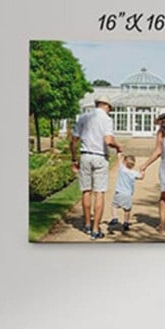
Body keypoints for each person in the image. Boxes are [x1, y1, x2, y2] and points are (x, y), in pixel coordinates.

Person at [70, 98, 122, 240]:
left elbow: (74, 140)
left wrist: (74, 159)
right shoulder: (106, 119)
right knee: (99, 192)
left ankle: (87, 224)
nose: (110, 110)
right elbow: (108, 141)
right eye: (110, 108)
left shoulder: (84, 117)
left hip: (85, 156)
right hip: (99, 157)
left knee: (86, 191)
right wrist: (118, 147)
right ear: (106, 106)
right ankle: (95, 229)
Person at [109, 154, 142, 233]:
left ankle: (115, 217)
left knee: (114, 206)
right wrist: (143, 171)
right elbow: (141, 177)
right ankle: (126, 223)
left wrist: (119, 153)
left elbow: (119, 159)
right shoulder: (134, 173)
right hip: (128, 195)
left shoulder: (121, 169)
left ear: (124, 162)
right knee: (127, 210)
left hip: (119, 192)